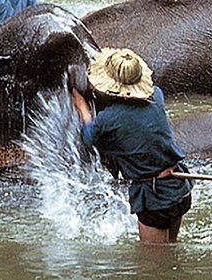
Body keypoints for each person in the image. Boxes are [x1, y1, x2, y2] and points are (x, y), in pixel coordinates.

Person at [71, 49, 192, 245]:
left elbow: (88, 137)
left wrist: (82, 107)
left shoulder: (109, 119)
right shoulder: (156, 96)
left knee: (152, 266)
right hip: (178, 186)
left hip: (154, 197)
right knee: (171, 249)